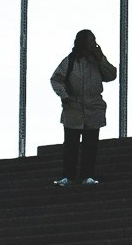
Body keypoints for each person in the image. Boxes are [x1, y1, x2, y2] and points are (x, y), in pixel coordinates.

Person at [50, 29, 117, 187]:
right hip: (73, 107)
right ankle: (69, 175)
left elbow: (111, 75)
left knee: (90, 145)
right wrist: (64, 95)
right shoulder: (70, 61)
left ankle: (87, 175)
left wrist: (101, 58)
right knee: (71, 145)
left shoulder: (97, 61)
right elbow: (56, 79)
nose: (93, 44)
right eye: (90, 41)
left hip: (93, 108)